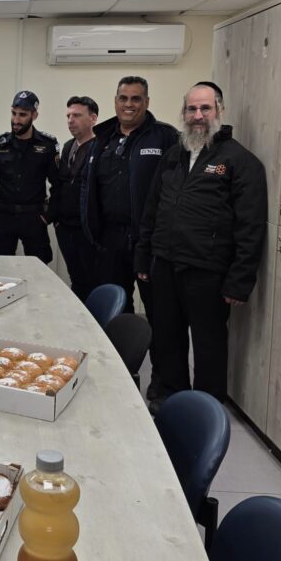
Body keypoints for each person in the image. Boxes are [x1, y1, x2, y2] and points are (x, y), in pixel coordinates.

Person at [135, 81, 267, 411]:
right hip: (165, 264)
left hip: (208, 271)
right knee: (167, 337)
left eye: (205, 108)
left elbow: (250, 227)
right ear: (183, 112)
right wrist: (143, 256)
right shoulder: (173, 156)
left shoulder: (239, 161)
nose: (197, 115)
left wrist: (240, 280)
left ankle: (205, 410)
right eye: (191, 108)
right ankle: (171, 400)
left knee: (208, 345)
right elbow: (152, 209)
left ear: (219, 111)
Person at [79, 75, 179, 397]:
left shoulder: (164, 137)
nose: (129, 104)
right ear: (115, 101)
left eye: (136, 99)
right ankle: (116, 382)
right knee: (115, 316)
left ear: (146, 102)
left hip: (148, 243)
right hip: (109, 240)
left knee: (159, 317)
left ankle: (162, 386)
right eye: (123, 98)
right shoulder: (103, 138)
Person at [0, 90, 59, 263]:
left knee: (39, 267)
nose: (16, 120)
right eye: (13, 113)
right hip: (3, 217)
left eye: (22, 115)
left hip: (34, 217)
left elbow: (58, 184)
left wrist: (48, 216)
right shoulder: (0, 144)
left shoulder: (47, 145)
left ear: (34, 115)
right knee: (2, 267)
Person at [47, 95, 99, 304]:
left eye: (76, 115)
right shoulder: (68, 146)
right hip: (65, 227)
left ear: (93, 118)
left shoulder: (100, 147)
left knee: (92, 280)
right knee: (76, 278)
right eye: (68, 116)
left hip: (87, 230)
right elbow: (60, 184)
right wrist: (54, 218)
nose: (70, 120)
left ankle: (93, 320)